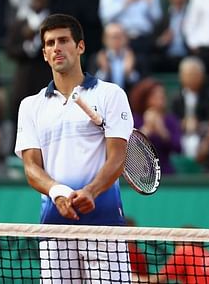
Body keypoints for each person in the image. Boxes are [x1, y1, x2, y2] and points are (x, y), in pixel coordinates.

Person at [14, 14, 134, 282]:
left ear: (80, 46)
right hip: (54, 228)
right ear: (44, 53)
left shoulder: (111, 94)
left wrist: (91, 191)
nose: (57, 47)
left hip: (105, 225)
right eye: (50, 43)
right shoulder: (30, 106)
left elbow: (118, 158)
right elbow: (32, 168)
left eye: (64, 40)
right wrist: (59, 193)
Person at [129, 78, 182, 175]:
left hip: (165, 173)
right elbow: (129, 149)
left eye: (162, 94)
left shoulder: (170, 120)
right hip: (139, 176)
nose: (160, 97)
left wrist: (162, 131)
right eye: (155, 95)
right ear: (144, 98)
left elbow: (178, 148)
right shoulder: (133, 119)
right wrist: (146, 129)